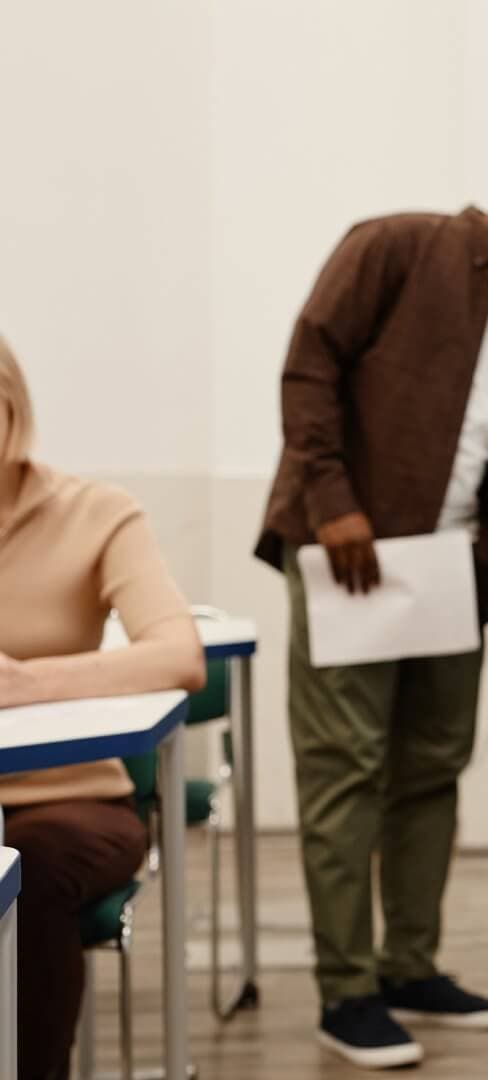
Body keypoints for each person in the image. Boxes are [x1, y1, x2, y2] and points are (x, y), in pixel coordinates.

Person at [253, 157, 488, 1068]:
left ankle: (407, 968)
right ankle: (346, 994)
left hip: (454, 572)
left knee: (430, 767)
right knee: (345, 769)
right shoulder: (396, 244)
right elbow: (310, 370)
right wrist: (333, 499)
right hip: (352, 558)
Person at [0, 336, 206, 1080]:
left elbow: (179, 655)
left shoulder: (96, 513)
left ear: (11, 407)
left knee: (32, 868)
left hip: (73, 799)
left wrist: (30, 682)